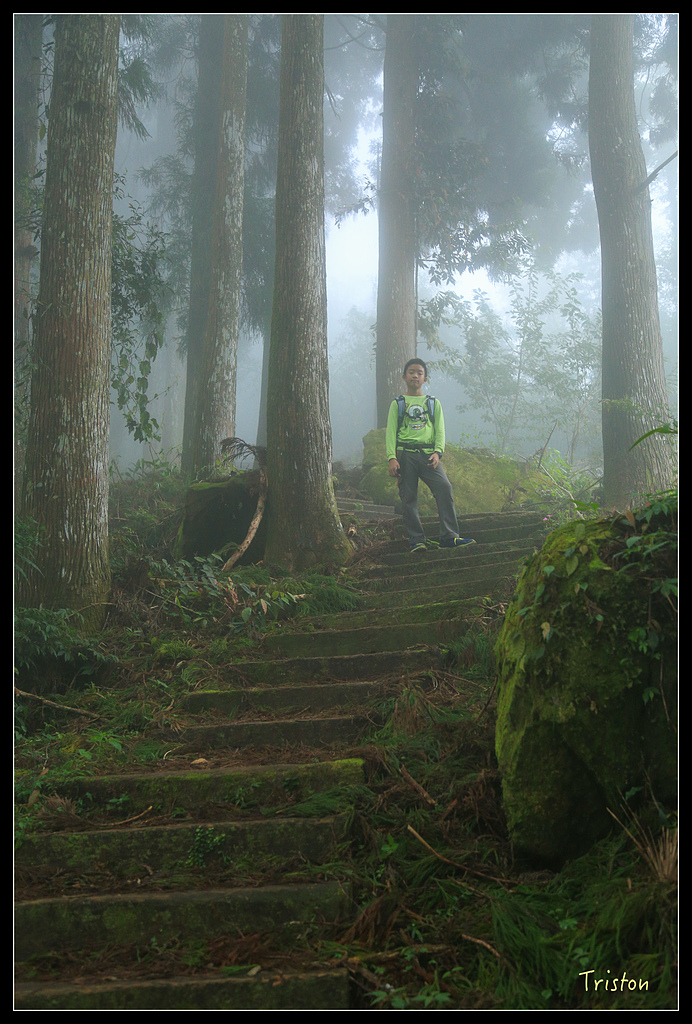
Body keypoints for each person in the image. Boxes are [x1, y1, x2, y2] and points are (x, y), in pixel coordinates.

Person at [386, 358, 475, 553]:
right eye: (411, 372)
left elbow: (440, 430)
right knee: (408, 497)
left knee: (444, 487)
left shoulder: (433, 403)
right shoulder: (398, 404)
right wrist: (392, 457)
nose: (415, 376)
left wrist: (438, 452)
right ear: (404, 377)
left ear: (425, 379)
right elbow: (391, 432)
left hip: (428, 455)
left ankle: (450, 536)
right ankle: (416, 540)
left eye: (419, 373)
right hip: (405, 455)